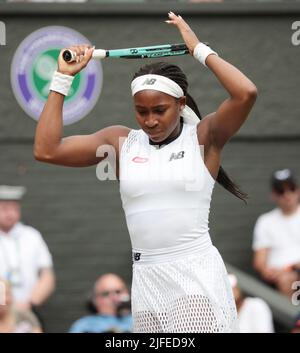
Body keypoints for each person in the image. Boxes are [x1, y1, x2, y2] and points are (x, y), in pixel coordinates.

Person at [34, 12, 257, 332]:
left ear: (181, 104)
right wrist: (62, 78)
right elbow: (46, 149)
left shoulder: (204, 137)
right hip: (145, 279)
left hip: (194, 277)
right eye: (141, 111)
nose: (150, 120)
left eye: (159, 110)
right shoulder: (121, 142)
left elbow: (246, 93)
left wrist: (199, 50)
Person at [0, 185, 55, 313]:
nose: (10, 214)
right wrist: (5, 304)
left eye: (14, 208)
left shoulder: (32, 236)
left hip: (28, 310)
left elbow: (47, 275)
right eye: (4, 208)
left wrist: (30, 303)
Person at [253, 169, 300, 297]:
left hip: (295, 271)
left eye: (291, 188)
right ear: (273, 195)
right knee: (286, 280)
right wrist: (266, 271)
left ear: (298, 190)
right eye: (281, 191)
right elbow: (259, 261)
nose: (287, 194)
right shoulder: (265, 221)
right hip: (280, 275)